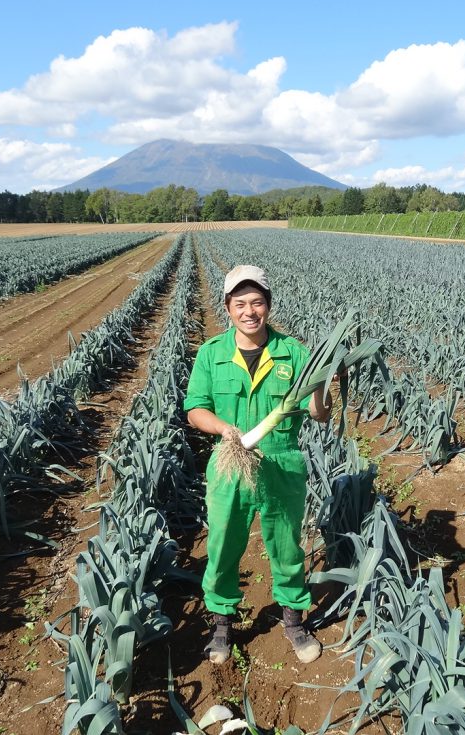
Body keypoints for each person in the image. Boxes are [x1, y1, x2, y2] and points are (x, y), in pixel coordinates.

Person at [184, 264, 332, 664]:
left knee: (286, 546)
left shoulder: (295, 352)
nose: (250, 311)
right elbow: (195, 409)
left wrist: (321, 385)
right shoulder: (212, 353)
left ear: (268, 305)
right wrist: (225, 430)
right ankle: (222, 625)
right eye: (240, 303)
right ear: (229, 308)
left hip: (281, 464)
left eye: (258, 302)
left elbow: (319, 414)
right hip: (230, 461)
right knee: (222, 544)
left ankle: (293, 620)